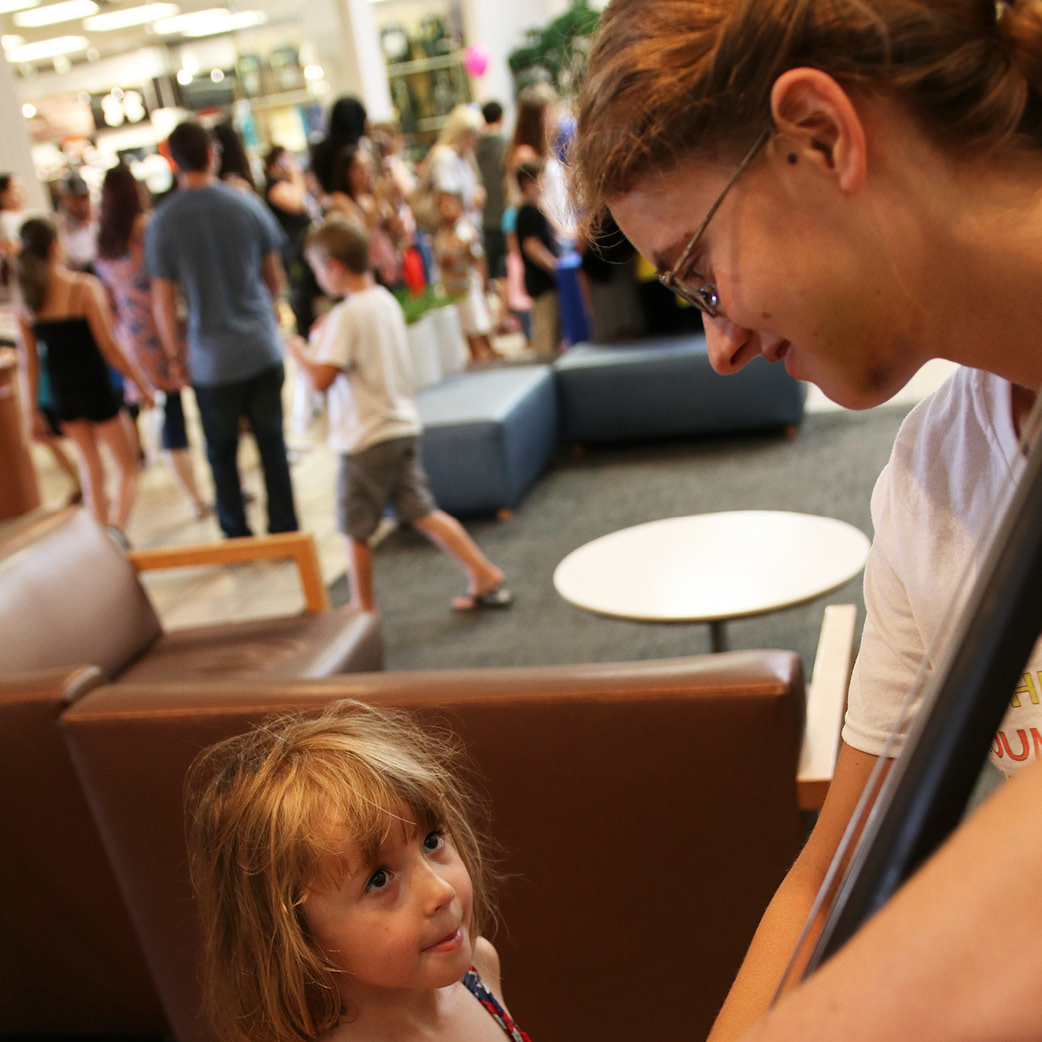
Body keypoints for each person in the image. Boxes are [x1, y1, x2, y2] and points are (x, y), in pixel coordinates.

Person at [570, 0, 1042, 1037]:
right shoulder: (935, 475)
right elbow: (829, 882)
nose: (720, 346)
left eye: (701, 274)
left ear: (819, 135)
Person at [185, 698, 531, 1042]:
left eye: (431, 841)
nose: (442, 891)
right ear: (297, 932)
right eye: (379, 880)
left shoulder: (479, 970)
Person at [285, 215, 512, 614]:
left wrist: (297, 351)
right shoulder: (383, 301)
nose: (319, 278)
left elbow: (321, 378)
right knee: (422, 511)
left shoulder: (347, 315)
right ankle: (483, 572)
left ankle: (361, 608)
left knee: (354, 528)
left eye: (319, 269)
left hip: (366, 435)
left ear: (334, 267)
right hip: (400, 425)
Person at [146, 119, 299, 539]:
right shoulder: (245, 204)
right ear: (212, 154)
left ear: (171, 160)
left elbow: (162, 300)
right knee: (272, 446)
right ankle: (285, 530)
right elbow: (274, 275)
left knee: (221, 452)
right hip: (259, 345)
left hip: (210, 358)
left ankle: (237, 534)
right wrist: (265, 314)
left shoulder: (164, 221)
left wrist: (175, 356)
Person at [13, 217, 153, 545]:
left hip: (63, 395)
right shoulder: (81, 287)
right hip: (95, 389)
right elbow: (109, 347)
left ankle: (100, 541)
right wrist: (141, 384)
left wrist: (30, 410)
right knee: (128, 467)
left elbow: (28, 365)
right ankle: (115, 533)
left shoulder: (28, 303)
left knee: (91, 468)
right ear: (54, 246)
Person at [94, 162, 209, 519]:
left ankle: (194, 497)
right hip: (166, 329)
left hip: (133, 337)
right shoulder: (146, 230)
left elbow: (109, 303)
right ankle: (202, 494)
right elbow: (169, 283)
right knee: (192, 408)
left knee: (171, 413)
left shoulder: (104, 242)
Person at [432, 189, 498, 363]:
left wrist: (484, 282)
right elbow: (441, 261)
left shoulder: (466, 230)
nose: (446, 208)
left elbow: (477, 258)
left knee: (479, 325)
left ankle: (487, 357)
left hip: (469, 286)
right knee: (467, 329)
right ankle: (477, 357)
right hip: (453, 289)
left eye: (449, 204)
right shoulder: (440, 235)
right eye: (442, 205)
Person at [514, 162, 560, 357]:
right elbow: (532, 246)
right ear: (529, 183)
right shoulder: (528, 212)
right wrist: (554, 266)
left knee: (550, 331)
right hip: (542, 284)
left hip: (543, 283)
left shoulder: (533, 210)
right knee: (546, 333)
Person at [475, 100, 509, 329]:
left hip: (484, 218)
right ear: (500, 117)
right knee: (504, 270)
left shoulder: (475, 147)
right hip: (504, 216)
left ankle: (493, 316)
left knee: (490, 272)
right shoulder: (505, 143)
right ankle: (503, 317)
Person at [55, 171, 98, 273]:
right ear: (64, 198)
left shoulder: (99, 214)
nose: (82, 204)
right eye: (76, 199)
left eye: (85, 198)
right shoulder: (59, 228)